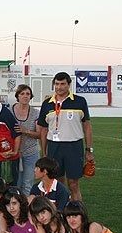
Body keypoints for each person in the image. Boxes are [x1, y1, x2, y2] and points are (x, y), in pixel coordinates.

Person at [37, 72, 94, 201]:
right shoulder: (47, 104)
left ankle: (78, 213)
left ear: (69, 85)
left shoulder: (79, 101)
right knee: (57, 183)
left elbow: (87, 127)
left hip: (74, 146)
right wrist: (44, 152)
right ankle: (60, 214)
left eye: (63, 84)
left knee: (73, 184)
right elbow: (44, 130)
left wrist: (89, 150)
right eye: (57, 84)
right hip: (54, 146)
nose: (59, 87)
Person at [11, 84, 40, 195]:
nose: (25, 96)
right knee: (16, 183)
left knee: (28, 183)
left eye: (28, 94)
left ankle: (26, 208)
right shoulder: (10, 110)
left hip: (31, 152)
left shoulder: (35, 113)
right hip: (14, 152)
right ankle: (15, 206)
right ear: (17, 96)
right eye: (22, 93)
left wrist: (25, 131)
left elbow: (39, 134)